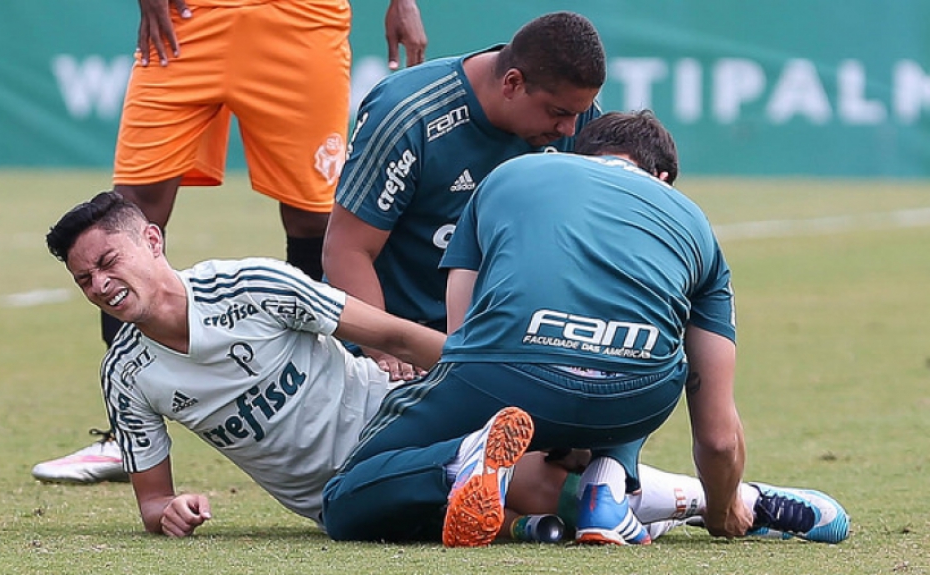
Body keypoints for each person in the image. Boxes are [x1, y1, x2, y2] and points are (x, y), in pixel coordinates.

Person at [44, 191, 730, 539]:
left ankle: (478, 460)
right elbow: (152, 498)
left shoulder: (253, 285)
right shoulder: (127, 374)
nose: (100, 285)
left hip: (394, 422)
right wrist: (172, 510)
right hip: (335, 497)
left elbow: (397, 336)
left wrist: (483, 375)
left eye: (108, 261)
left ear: (153, 240)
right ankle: (734, 503)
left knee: (532, 487)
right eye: (84, 281)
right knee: (552, 495)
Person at [321, 111, 852, 547]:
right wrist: (723, 515)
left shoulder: (513, 174)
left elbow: (463, 336)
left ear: (578, 157)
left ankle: (461, 460)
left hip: (505, 377)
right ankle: (611, 480)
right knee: (645, 353)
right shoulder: (695, 225)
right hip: (631, 404)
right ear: (662, 177)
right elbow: (716, 435)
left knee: (343, 500)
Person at [32, 0, 428, 484]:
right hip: (186, 18)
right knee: (131, 207)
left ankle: (348, 405)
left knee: (312, 218)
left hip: (299, 18)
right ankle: (124, 436)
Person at [322, 10, 603, 380]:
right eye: (558, 113)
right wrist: (387, 351)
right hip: (392, 337)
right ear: (512, 83)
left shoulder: (578, 121)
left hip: (498, 338)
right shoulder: (409, 115)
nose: (570, 128)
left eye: (577, 113)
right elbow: (345, 249)